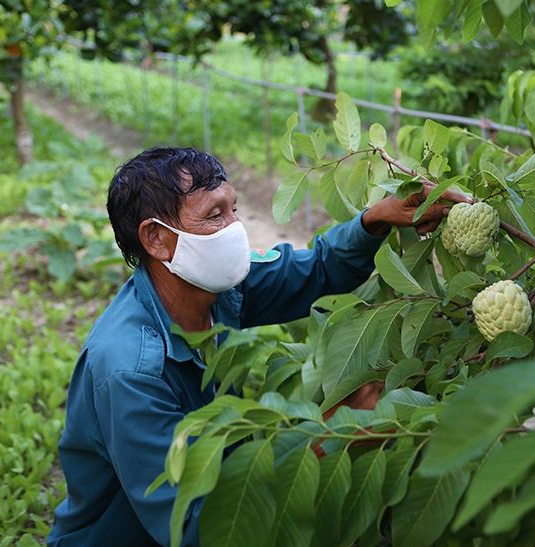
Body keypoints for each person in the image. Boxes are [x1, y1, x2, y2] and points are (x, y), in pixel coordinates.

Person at [47, 147, 466, 546]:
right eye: (214, 215)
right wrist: (329, 435)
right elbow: (200, 524)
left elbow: (318, 269)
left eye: (234, 209)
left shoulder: (216, 289)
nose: (234, 229)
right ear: (157, 239)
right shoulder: (131, 370)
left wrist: (376, 218)